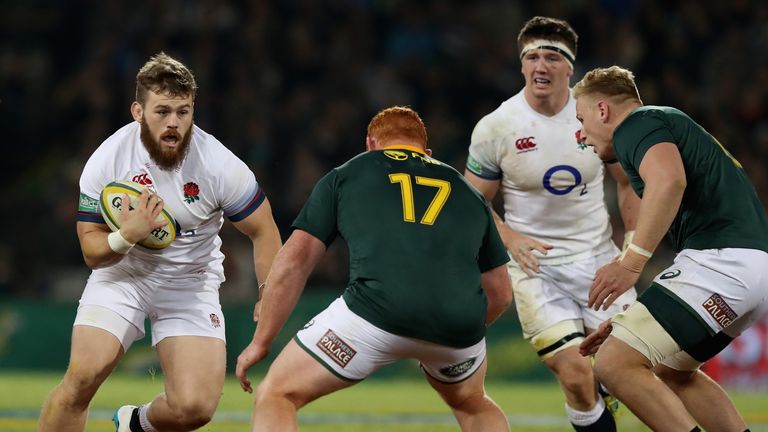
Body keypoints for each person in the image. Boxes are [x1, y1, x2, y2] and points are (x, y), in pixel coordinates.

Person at [38, 52, 283, 432]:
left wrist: (269, 292)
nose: (174, 123)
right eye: (162, 111)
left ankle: (134, 424)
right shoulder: (107, 161)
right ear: (138, 111)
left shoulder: (218, 165)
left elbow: (263, 228)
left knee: (195, 408)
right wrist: (126, 235)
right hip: (124, 275)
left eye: (183, 112)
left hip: (190, 282)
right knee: (82, 378)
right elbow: (91, 251)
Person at [235, 106, 513, 432]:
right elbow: (501, 292)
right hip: (459, 328)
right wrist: (447, 330)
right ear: (427, 153)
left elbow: (294, 261)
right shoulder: (468, 191)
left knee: (276, 394)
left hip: (372, 318)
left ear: (370, 144)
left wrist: (261, 341)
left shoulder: (350, 172)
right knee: (472, 403)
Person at [463, 16, 639, 431]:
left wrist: (632, 246)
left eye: (552, 57)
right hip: (536, 270)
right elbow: (472, 201)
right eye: (532, 57)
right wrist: (508, 237)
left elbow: (628, 182)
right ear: (522, 65)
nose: (541, 66)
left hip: (600, 261)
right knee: (578, 378)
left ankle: (610, 396)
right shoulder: (497, 127)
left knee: (630, 367)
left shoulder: (596, 114)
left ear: (569, 67)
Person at [574, 65, 768, 432]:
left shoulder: (638, 123)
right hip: (748, 269)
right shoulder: (665, 125)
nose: (580, 134)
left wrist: (630, 263)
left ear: (603, 111)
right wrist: (631, 323)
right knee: (673, 370)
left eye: (581, 118)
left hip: (722, 261)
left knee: (615, 364)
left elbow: (669, 181)